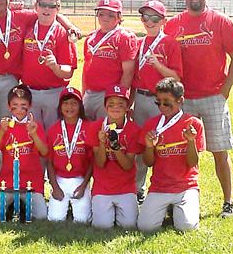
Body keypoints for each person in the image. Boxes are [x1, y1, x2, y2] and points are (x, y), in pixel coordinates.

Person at [0, 0, 79, 203]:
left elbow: (51, 13)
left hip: (11, 83)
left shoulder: (21, 17)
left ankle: (0, 184)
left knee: (7, 132)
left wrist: (69, 26)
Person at [164, 0, 233, 218]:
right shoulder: (173, 24)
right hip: (183, 99)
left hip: (212, 96)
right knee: (182, 153)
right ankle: (181, 201)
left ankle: (228, 202)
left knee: (219, 151)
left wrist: (225, 90)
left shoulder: (220, 21)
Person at [137, 78, 205, 232]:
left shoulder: (193, 123)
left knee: (187, 228)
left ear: (180, 100)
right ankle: (170, 208)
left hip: (185, 186)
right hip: (160, 186)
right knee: (145, 227)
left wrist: (190, 142)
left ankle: (179, 208)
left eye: (167, 102)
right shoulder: (151, 124)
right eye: (158, 102)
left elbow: (193, 162)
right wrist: (149, 147)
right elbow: (148, 163)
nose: (162, 106)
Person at [132, 0, 183, 205]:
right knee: (142, 145)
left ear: (163, 21)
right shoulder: (140, 42)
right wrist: (129, 103)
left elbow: (177, 77)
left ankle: (166, 189)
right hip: (141, 99)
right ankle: (138, 188)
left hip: (162, 103)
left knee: (164, 145)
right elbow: (135, 77)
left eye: (155, 18)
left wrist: (158, 65)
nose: (149, 22)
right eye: (145, 17)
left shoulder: (170, 43)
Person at [0, 84, 48, 221]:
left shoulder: (35, 126)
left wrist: (34, 134)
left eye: (23, 105)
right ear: (9, 106)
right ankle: (12, 207)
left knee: (42, 216)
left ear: (30, 106)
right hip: (7, 182)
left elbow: (44, 152)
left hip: (30, 183)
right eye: (15, 105)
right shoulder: (4, 126)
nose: (19, 109)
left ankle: (21, 207)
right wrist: (2, 131)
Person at [86, 85, 142, 229]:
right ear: (105, 107)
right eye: (111, 104)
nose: (115, 108)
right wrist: (102, 143)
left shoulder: (134, 129)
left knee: (128, 225)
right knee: (102, 226)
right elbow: (100, 163)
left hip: (126, 186)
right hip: (103, 187)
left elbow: (128, 165)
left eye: (120, 104)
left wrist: (116, 147)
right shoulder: (96, 127)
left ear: (127, 107)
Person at [21, 0, 77, 131]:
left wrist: (56, 67)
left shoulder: (62, 33)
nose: (46, 9)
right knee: (32, 137)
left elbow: (68, 71)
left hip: (53, 93)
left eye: (51, 5)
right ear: (36, 7)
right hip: (30, 92)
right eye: (42, 4)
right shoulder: (28, 25)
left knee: (53, 136)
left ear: (57, 9)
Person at [82, 0, 138, 121]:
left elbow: (128, 73)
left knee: (107, 133)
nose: (105, 18)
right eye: (101, 14)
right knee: (89, 132)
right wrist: (83, 93)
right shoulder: (91, 37)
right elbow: (86, 69)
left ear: (119, 17)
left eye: (110, 15)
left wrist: (118, 99)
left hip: (110, 95)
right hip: (90, 93)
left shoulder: (125, 37)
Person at [46, 87, 92, 223]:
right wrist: (55, 187)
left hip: (80, 179)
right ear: (60, 107)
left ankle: (75, 205)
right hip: (60, 179)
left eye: (74, 103)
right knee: (55, 219)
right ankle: (67, 203)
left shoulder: (88, 127)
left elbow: (92, 162)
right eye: (65, 103)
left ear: (80, 106)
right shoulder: (54, 129)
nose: (69, 107)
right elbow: (49, 162)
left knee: (82, 220)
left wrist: (84, 186)